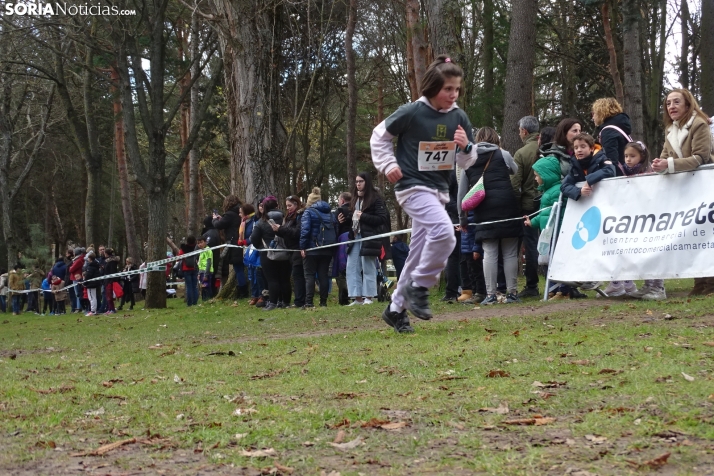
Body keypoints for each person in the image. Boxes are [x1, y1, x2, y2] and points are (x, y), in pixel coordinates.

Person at [371, 55, 478, 332]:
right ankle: (419, 286)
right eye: (447, 89)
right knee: (444, 233)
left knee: (417, 252)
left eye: (456, 89)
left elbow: (467, 162)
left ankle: (396, 309)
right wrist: (388, 164)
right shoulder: (412, 112)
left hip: (438, 192)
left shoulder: (459, 117)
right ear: (432, 87)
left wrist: (466, 147)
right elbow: (379, 136)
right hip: (412, 188)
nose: (453, 94)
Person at [653, 88, 714, 296]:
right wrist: (657, 164)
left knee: (708, 234)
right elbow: (664, 155)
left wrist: (668, 164)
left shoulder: (699, 124)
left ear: (688, 104)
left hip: (707, 188)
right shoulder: (670, 129)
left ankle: (711, 281)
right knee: (694, 235)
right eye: (668, 103)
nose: (671, 107)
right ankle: (700, 281)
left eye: (676, 102)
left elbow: (700, 158)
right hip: (687, 191)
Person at [458, 126, 522, 305]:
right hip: (507, 205)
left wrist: (462, 219)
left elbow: (462, 193)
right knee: (509, 253)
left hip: (484, 209)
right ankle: (512, 293)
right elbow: (515, 170)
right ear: (496, 139)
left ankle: (491, 294)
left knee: (489, 252)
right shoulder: (503, 154)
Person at [524, 155, 570, 299]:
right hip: (548, 233)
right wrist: (533, 221)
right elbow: (545, 213)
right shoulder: (548, 192)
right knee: (547, 260)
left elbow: (551, 213)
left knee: (557, 261)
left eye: (537, 176)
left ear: (547, 175)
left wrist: (534, 220)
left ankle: (563, 290)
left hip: (556, 232)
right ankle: (552, 288)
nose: (536, 179)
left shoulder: (556, 192)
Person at [345, 172, 390, 305]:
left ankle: (369, 297)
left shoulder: (376, 198)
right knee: (351, 266)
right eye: (357, 181)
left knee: (368, 267)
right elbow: (353, 218)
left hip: (369, 238)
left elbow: (382, 219)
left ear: (367, 182)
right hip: (355, 237)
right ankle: (357, 297)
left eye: (361, 181)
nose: (358, 184)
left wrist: (363, 216)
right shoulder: (354, 198)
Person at [511, 115, 541, 298]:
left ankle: (532, 285)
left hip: (529, 205)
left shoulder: (522, 153)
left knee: (530, 244)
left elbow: (515, 184)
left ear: (524, 131)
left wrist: (516, 205)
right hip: (550, 203)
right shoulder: (548, 148)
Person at [299, 187, 337, 308]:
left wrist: (303, 247)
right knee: (323, 275)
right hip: (327, 249)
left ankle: (309, 302)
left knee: (309, 275)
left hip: (312, 248)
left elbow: (305, 231)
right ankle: (323, 302)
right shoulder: (330, 214)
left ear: (309, 202)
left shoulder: (308, 212)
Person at [252, 198, 291, 310]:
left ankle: (273, 302)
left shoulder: (262, 221)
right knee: (285, 279)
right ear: (277, 205)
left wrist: (261, 247)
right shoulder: (285, 219)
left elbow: (254, 239)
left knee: (272, 279)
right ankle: (286, 302)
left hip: (267, 253)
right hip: (285, 252)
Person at [212, 195, 249, 299]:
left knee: (238, 269)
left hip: (234, 244)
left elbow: (219, 225)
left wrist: (215, 219)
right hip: (241, 242)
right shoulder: (239, 213)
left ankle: (243, 291)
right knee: (240, 268)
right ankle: (241, 288)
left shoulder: (230, 214)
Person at [275, 195, 306, 307]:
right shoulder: (288, 217)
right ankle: (300, 299)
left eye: (290, 205)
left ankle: (300, 301)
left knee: (298, 275)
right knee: (296, 275)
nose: (288, 208)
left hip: (298, 248)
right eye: (286, 206)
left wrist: (282, 229)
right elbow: (287, 232)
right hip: (291, 250)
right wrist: (278, 231)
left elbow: (297, 233)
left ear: (296, 205)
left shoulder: (300, 216)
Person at [592, 97, 632, 176]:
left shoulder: (608, 131)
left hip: (618, 178)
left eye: (594, 113)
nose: (593, 117)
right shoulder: (621, 127)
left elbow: (611, 160)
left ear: (601, 112)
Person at [237, 203, 264, 306]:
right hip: (248, 250)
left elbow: (254, 235)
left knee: (257, 273)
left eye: (241, 212)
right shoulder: (243, 223)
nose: (239, 215)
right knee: (250, 273)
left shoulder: (254, 222)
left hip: (256, 249)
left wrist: (246, 241)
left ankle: (261, 295)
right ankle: (254, 295)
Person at [335, 192, 353, 305]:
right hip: (354, 240)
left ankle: (344, 297)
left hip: (342, 242)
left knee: (342, 270)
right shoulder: (355, 210)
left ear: (342, 200)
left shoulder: (339, 211)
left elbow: (335, 227)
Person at [201, 215, 222, 297]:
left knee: (208, 279)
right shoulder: (216, 232)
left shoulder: (209, 234)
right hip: (214, 259)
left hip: (208, 261)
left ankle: (208, 296)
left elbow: (208, 247)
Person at [178, 237, 199, 307]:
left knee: (189, 286)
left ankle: (189, 303)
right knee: (194, 286)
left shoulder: (184, 248)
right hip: (195, 268)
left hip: (186, 269)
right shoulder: (196, 247)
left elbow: (179, 257)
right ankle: (195, 302)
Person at [83, 251, 102, 316]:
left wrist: (84, 282)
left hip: (91, 284)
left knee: (91, 297)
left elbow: (88, 276)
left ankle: (93, 310)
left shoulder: (91, 267)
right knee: (93, 297)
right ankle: (93, 310)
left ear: (90, 258)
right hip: (94, 283)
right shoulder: (95, 265)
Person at [196, 237, 214, 301]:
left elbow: (208, 263)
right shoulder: (201, 251)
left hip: (207, 272)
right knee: (203, 288)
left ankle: (209, 300)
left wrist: (206, 275)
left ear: (205, 242)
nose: (200, 244)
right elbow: (200, 263)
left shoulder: (208, 250)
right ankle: (204, 300)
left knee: (206, 287)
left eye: (201, 242)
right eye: (198, 243)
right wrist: (199, 273)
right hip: (201, 272)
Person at [103, 248, 120, 314]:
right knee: (108, 295)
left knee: (110, 295)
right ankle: (109, 308)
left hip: (110, 280)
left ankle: (112, 309)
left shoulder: (112, 261)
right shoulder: (107, 261)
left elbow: (112, 271)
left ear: (106, 253)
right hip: (107, 280)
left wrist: (111, 280)